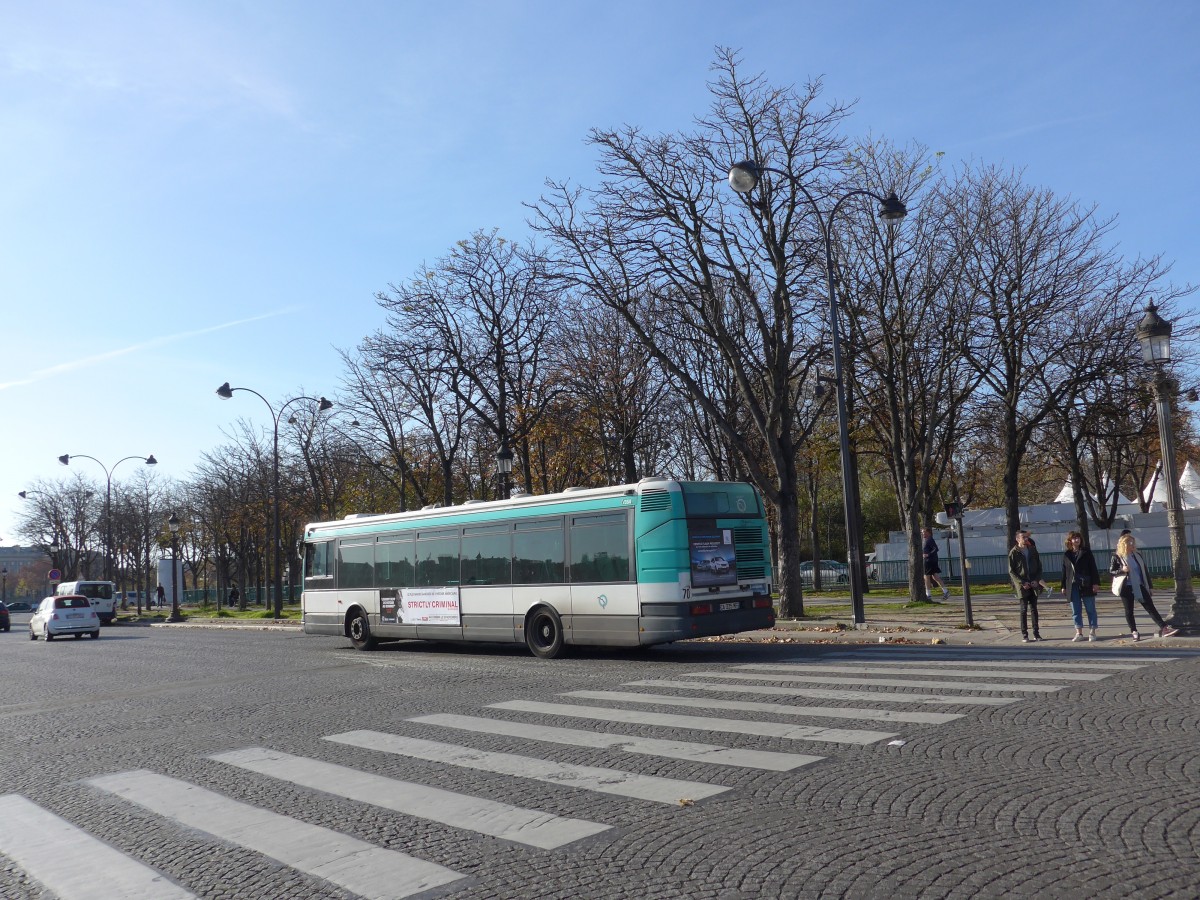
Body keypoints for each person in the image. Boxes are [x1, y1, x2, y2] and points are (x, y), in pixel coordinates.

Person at [1112, 532, 1178, 641]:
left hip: (1139, 585)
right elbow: (1112, 571)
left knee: (1150, 607)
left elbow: (1144, 572)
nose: (1133, 545)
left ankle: (1164, 628)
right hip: (1126, 587)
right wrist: (1121, 570)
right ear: (1124, 544)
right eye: (1130, 543)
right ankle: (1134, 631)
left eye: (1133, 542)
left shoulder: (1137, 556)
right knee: (1129, 611)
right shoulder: (1117, 557)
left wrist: (1149, 587)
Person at [1060, 531, 1100, 641]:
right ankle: (1079, 632)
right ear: (1070, 541)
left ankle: (1092, 631)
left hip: (1086, 584)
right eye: (1074, 538)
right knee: (1076, 610)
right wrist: (1063, 586)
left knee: (1090, 608)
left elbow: (1093, 568)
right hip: (1072, 585)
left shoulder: (1086, 552)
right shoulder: (1067, 554)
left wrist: (1095, 583)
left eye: (1078, 538)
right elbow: (1065, 572)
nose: (1076, 540)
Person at [1009, 531, 1043, 642]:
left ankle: (1036, 633)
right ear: (1018, 539)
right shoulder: (1014, 552)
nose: (1026, 539)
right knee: (1023, 609)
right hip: (1022, 585)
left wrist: (1036, 580)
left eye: (1026, 537)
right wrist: (1022, 582)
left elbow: (1039, 567)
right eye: (1023, 537)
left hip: (1033, 583)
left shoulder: (1033, 550)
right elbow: (1011, 571)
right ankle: (1024, 634)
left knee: (1034, 609)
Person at [922, 528, 950, 601]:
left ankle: (928, 595)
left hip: (929, 561)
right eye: (922, 532)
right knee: (935, 577)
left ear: (928, 532)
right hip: (932, 560)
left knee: (926, 577)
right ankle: (946, 591)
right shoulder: (927, 540)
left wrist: (928, 555)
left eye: (924, 532)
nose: (923, 534)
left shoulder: (930, 540)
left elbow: (935, 549)